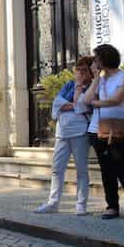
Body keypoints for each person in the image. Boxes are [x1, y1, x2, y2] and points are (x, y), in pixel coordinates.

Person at [80, 44, 124, 220]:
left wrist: (98, 103)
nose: (95, 62)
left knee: (123, 168)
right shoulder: (101, 79)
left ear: (105, 59)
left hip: (119, 129)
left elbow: (117, 99)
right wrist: (96, 79)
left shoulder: (123, 77)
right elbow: (86, 100)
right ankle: (112, 206)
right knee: (106, 170)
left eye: (97, 59)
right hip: (97, 130)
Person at [34, 56, 93, 215]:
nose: (80, 72)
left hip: (80, 132)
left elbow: (84, 106)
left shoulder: (92, 88)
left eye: (84, 70)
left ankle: (81, 205)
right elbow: (57, 103)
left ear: (90, 72)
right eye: (78, 69)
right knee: (57, 168)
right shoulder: (69, 85)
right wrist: (76, 106)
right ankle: (53, 202)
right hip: (63, 131)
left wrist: (76, 101)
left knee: (81, 169)